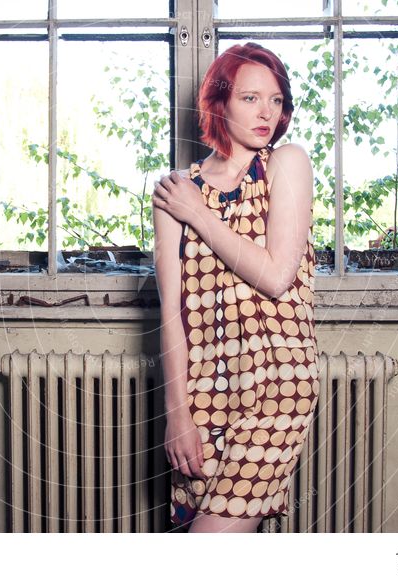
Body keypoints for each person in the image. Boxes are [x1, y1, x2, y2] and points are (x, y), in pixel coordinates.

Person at [152, 42, 320, 533]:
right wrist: (176, 412)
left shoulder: (286, 163)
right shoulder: (175, 191)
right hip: (203, 389)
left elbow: (274, 276)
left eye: (276, 100)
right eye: (250, 98)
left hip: (277, 386)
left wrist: (199, 216)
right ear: (219, 103)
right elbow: (171, 313)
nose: (267, 112)